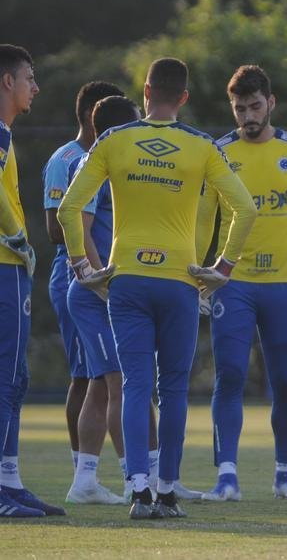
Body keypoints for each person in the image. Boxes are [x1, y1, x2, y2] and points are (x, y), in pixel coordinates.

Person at [58, 57, 257, 520]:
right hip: (180, 282)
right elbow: (245, 209)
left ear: (145, 91)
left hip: (125, 279)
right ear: (183, 97)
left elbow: (70, 208)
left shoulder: (113, 139)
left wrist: (82, 267)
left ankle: (138, 491)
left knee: (134, 386)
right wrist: (222, 268)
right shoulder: (202, 146)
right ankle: (167, 491)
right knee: (173, 391)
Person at [195, 65, 287, 503]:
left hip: (286, 283)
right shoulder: (217, 151)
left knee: (284, 381)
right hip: (232, 282)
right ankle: (226, 476)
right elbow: (206, 217)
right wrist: (193, 270)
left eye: (255, 106)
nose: (248, 116)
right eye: (240, 108)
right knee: (230, 375)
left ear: (271, 102)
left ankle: (286, 475)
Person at [64, 95, 146, 505]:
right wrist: (97, 279)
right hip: (94, 295)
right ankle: (135, 478)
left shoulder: (112, 164)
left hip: (101, 293)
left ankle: (85, 480)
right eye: (135, 124)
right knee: (119, 386)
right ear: (116, 130)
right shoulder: (95, 167)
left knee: (101, 387)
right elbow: (78, 222)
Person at [42, 81, 124, 479]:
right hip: (73, 273)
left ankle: (92, 473)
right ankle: (83, 469)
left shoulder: (111, 158)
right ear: (93, 113)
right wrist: (91, 269)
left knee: (101, 375)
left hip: (98, 273)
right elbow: (60, 226)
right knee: (87, 374)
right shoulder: (70, 158)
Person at [0, 44, 60, 518]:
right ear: (7, 82)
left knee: (14, 376)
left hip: (9, 266)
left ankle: (10, 479)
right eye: (29, 78)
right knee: (9, 376)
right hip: (4, 267)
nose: (34, 88)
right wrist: (18, 236)